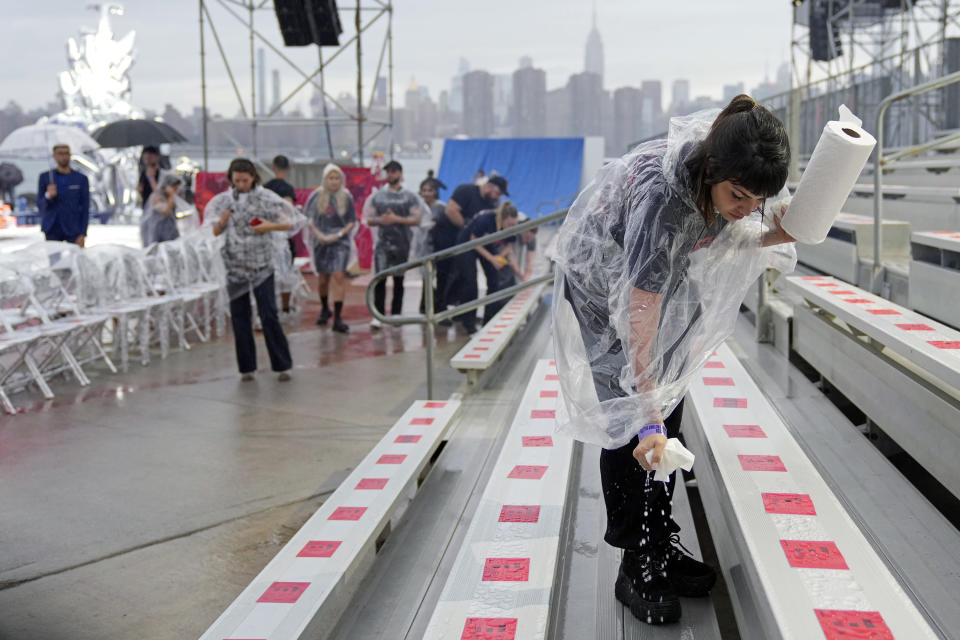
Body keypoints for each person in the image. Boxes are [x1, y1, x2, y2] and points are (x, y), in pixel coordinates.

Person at [552, 95, 797, 626]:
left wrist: (797, 220)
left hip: (663, 276)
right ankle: (634, 563)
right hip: (603, 287)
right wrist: (644, 414)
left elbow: (752, 233)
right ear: (713, 170)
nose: (746, 207)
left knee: (670, 409)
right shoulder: (666, 203)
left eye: (757, 198)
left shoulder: (725, 183)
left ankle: (660, 540)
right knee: (632, 423)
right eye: (738, 194)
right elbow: (636, 315)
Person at [205, 158, 299, 382]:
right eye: (237, 180)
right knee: (240, 317)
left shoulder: (266, 198)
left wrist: (268, 226)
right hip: (235, 264)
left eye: (245, 180)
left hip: (261, 264)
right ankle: (247, 367)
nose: (241, 184)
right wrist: (222, 222)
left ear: (253, 178)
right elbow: (215, 231)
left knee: (268, 315)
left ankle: (281, 364)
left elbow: (289, 222)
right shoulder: (224, 201)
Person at [435, 174, 507, 331]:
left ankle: (476, 315)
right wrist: (468, 226)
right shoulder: (466, 191)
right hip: (453, 237)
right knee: (456, 277)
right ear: (488, 186)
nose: (497, 197)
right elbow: (451, 211)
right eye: (497, 193)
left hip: (476, 240)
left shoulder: (492, 204)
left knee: (484, 277)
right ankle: (453, 314)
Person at [363, 160, 425, 329]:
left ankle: (397, 313)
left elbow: (417, 218)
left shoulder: (410, 196)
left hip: (402, 243)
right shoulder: (377, 197)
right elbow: (369, 218)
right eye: (389, 172)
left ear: (400, 174)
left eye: (394, 172)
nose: (391, 175)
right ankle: (378, 314)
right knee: (380, 279)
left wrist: (396, 219)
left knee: (399, 279)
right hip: (383, 244)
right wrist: (381, 220)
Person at [304, 163, 355, 333]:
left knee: (338, 275)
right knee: (323, 278)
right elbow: (309, 219)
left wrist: (338, 235)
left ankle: (338, 318)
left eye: (337, 178)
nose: (334, 182)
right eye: (330, 178)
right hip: (321, 241)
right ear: (325, 179)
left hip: (340, 242)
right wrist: (319, 235)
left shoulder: (346, 197)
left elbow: (351, 221)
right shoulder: (316, 197)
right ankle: (325, 308)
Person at [455, 202, 519, 325]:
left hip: (487, 245)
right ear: (501, 219)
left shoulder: (511, 226)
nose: (511, 227)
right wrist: (492, 258)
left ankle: (489, 319)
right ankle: (468, 321)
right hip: (468, 244)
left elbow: (508, 245)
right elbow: (474, 241)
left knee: (494, 280)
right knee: (471, 281)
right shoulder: (486, 220)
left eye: (513, 224)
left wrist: (499, 257)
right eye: (509, 224)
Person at [263, 155, 299, 317]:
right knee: (286, 272)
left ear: (273, 167)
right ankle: (285, 306)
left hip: (267, 235)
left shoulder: (265, 188)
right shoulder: (287, 189)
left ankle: (270, 306)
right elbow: (289, 212)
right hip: (282, 236)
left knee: (269, 275)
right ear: (288, 168)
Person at [37, 144, 89, 246]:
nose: (64, 157)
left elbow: (85, 207)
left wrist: (83, 233)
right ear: (54, 156)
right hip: (52, 228)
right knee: (55, 260)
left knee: (76, 260)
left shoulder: (81, 179)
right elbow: (40, 204)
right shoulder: (46, 177)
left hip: (73, 229)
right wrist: (48, 195)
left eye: (66, 153)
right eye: (60, 153)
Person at [419, 176, 446, 313]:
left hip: (437, 246)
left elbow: (431, 225)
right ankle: (425, 305)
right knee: (426, 276)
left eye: (429, 190)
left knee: (435, 276)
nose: (426, 193)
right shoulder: (422, 207)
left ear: (435, 191)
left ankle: (434, 305)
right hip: (425, 247)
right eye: (424, 190)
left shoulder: (439, 207)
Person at [140, 171, 183, 246]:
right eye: (175, 187)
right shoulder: (157, 196)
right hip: (157, 232)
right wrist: (171, 195)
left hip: (169, 230)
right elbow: (165, 211)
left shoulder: (168, 196)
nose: (176, 189)